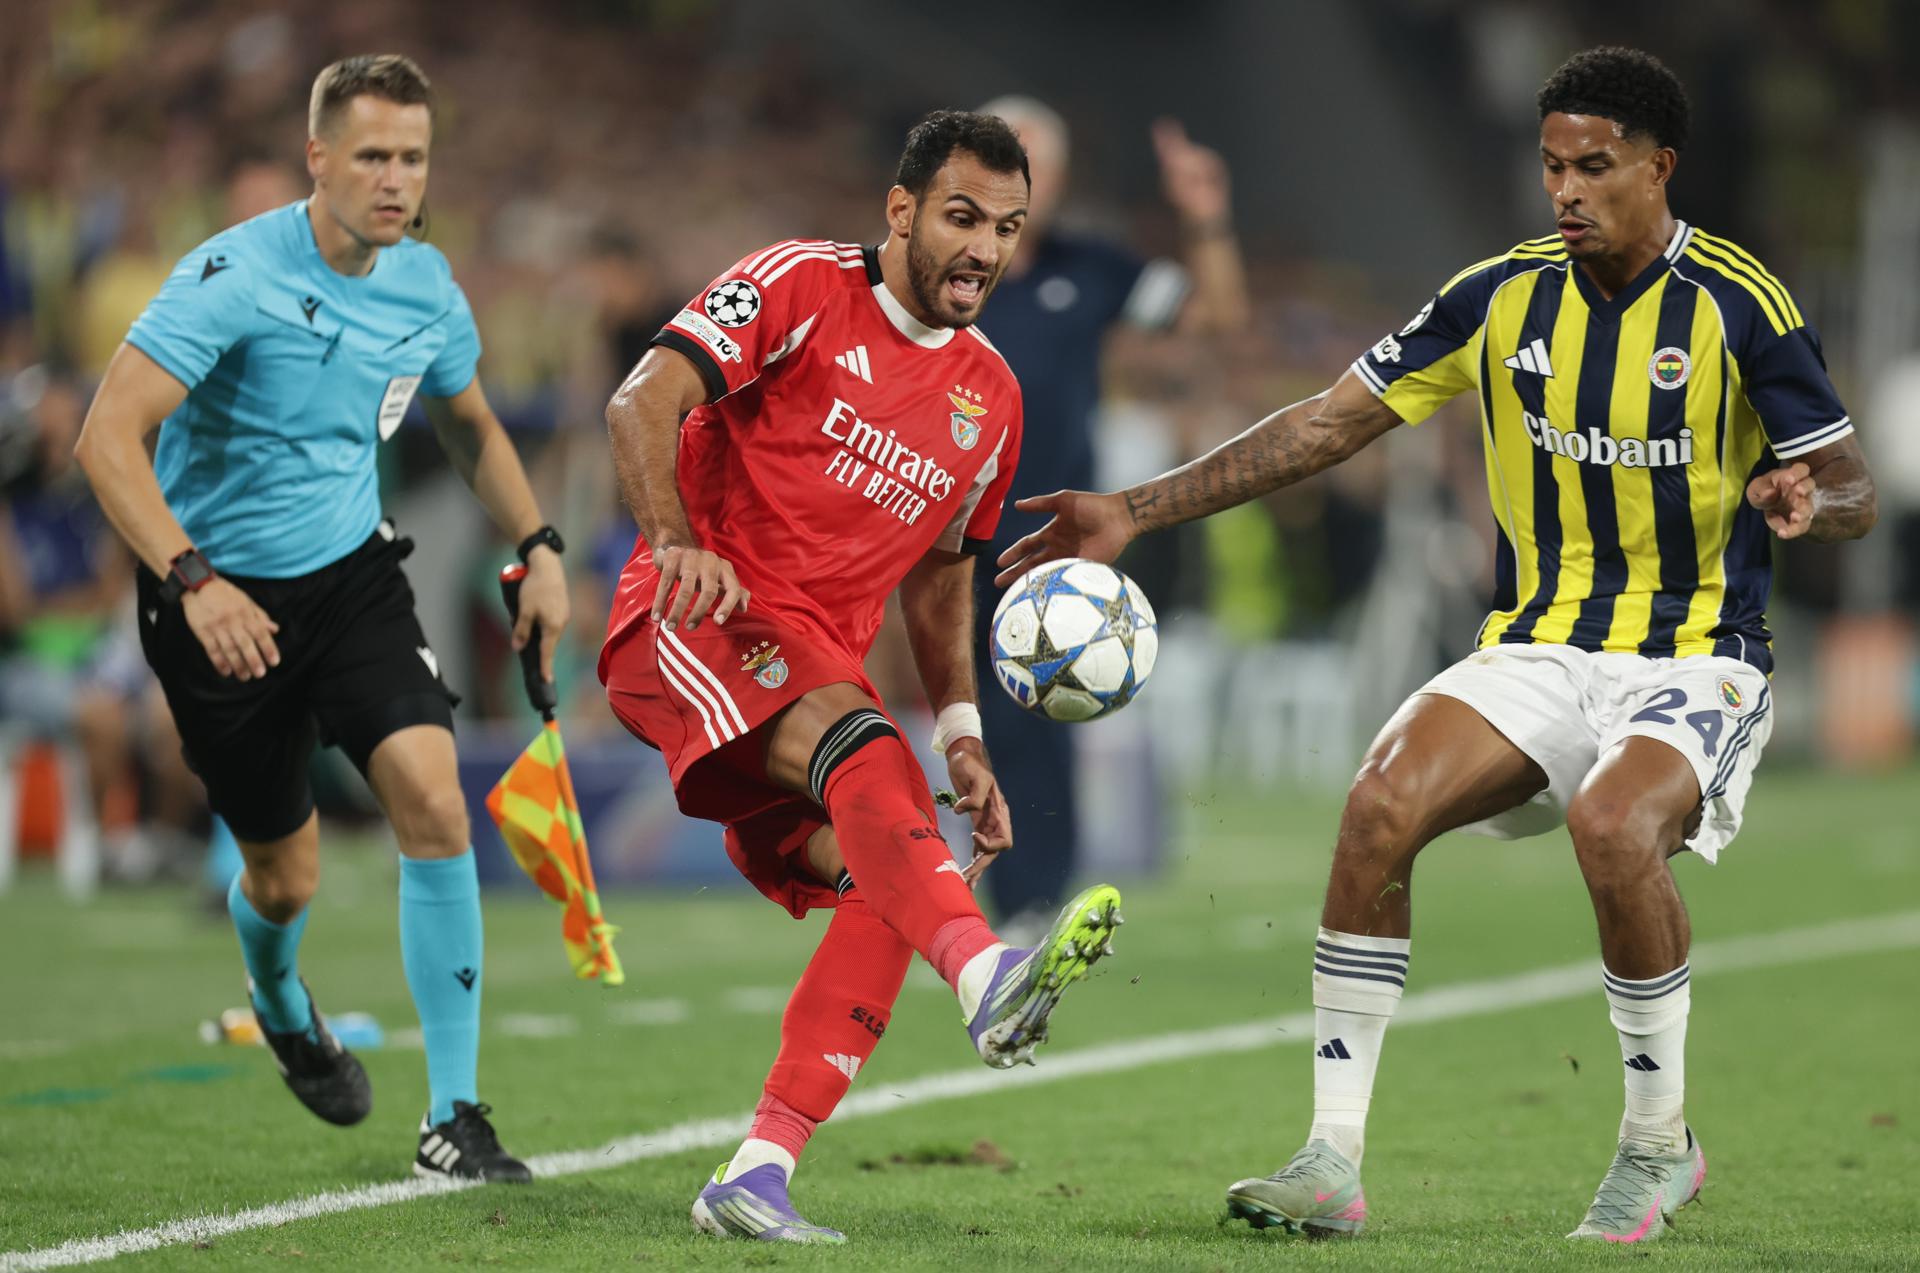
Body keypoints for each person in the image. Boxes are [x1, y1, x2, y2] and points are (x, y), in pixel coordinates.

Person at [996, 47, 1876, 1243]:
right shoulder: (1496, 295)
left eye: (1596, 167)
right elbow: (1326, 423)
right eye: (1554, 164)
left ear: (1660, 167)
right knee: (1377, 802)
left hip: (1697, 655)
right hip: (1539, 649)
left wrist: (1808, 503)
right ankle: (1330, 1159)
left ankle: (1658, 1145)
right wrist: (1132, 510)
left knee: (1614, 825)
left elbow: (1849, 481)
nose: (1566, 189)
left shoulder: (1739, 302)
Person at [601, 110, 1126, 1244]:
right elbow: (641, 400)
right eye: (962, 217)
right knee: (867, 759)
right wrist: (676, 539)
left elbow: (944, 578)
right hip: (691, 617)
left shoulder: (991, 396)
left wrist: (962, 730)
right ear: (900, 211)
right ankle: (985, 974)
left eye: (1008, 227)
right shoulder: (795, 285)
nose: (986, 248)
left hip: (809, 674)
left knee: (899, 874)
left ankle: (758, 1169)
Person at [73, 54, 570, 1183]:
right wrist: (195, 581)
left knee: (437, 799)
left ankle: (456, 1115)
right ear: (318, 159)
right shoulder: (231, 275)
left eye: (413, 157)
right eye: (372, 157)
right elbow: (105, 439)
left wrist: (537, 546)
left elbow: (473, 427)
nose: (396, 180)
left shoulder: (427, 285)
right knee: (284, 877)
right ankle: (280, 996)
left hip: (351, 579)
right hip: (217, 602)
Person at [970, 96, 1250, 936]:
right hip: (932, 527)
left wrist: (1206, 221)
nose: (1015, 177)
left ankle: (1033, 900)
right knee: (960, 717)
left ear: (1055, 180)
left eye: (1032, 162)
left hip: (1053, 536)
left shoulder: (1090, 267)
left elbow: (1216, 315)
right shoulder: (928, 270)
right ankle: (899, 890)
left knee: (1042, 712)